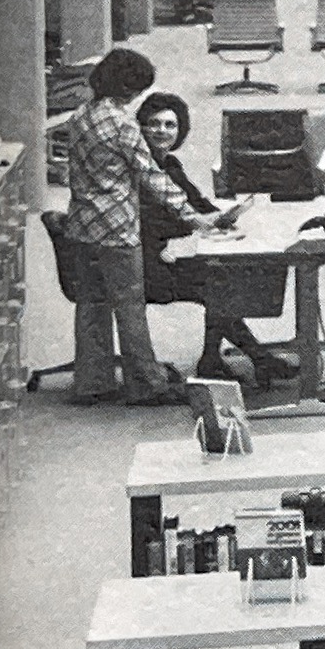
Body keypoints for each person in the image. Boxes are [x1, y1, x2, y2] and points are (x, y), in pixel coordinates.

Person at [62, 48, 209, 406]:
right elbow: (152, 177)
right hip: (117, 229)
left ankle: (92, 382)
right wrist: (193, 216)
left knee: (92, 305)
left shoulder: (80, 117)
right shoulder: (122, 123)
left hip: (82, 225)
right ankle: (146, 385)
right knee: (130, 308)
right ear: (126, 87)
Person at [136, 90, 291, 385]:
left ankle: (226, 359)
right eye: (154, 124)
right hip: (150, 264)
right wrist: (200, 225)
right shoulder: (143, 170)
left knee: (221, 278)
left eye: (170, 125)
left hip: (170, 254)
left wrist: (224, 216)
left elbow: (196, 202)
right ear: (141, 127)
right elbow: (159, 223)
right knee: (218, 282)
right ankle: (250, 358)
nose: (162, 131)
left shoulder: (171, 165)